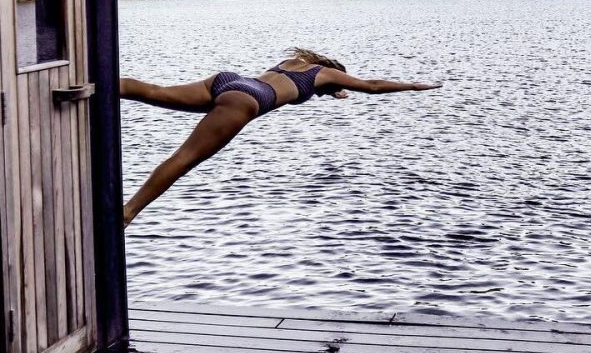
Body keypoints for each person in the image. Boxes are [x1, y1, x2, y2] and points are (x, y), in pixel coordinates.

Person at [119, 47, 441, 225]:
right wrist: (413, 86)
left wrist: (331, 91)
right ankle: (128, 212)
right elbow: (371, 86)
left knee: (153, 91)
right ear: (332, 75)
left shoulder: (296, 61)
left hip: (227, 80)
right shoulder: (324, 74)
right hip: (246, 100)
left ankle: (102, 81)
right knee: (184, 158)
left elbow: (297, 82)